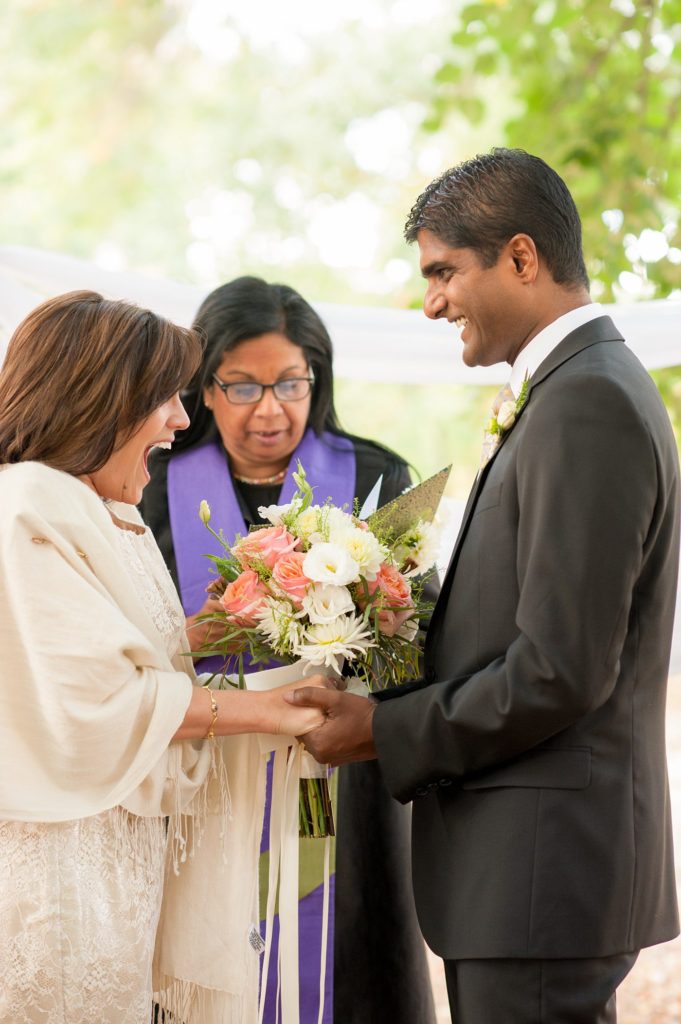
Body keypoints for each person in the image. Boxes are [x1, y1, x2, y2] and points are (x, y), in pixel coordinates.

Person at [287, 148, 681, 1023]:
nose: (430, 301)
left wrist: (383, 730)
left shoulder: (586, 403)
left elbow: (560, 670)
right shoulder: (569, 390)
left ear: (520, 257)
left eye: (442, 271)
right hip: (528, 877)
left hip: (541, 873)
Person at [0, 290, 328, 1024]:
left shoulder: (97, 508)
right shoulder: (27, 503)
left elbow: (105, 653)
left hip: (115, 855)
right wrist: (272, 711)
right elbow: (100, 698)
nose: (182, 419)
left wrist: (215, 627)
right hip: (63, 869)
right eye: (164, 400)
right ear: (100, 402)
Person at [140, 275, 437, 1024]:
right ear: (202, 389)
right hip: (200, 773)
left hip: (332, 772)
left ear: (317, 379)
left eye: (291, 383)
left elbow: (416, 638)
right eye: (241, 387)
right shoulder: (147, 484)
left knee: (341, 964)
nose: (270, 409)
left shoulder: (376, 477)